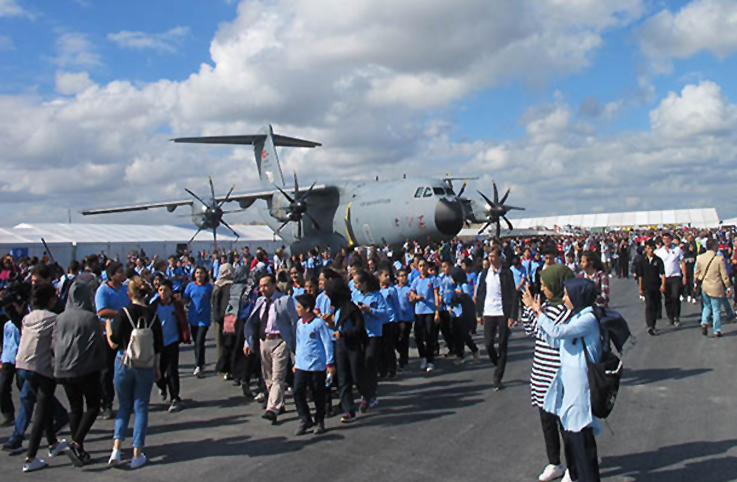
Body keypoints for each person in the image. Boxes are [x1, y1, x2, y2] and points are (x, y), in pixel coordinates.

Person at [533, 278, 603, 482]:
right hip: (569, 389)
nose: (564, 299)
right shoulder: (574, 316)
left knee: (582, 444)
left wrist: (539, 313)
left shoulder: (588, 318)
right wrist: (538, 315)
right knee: (572, 444)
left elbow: (558, 331)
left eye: (567, 294)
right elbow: (554, 339)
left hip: (581, 389)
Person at [520, 264, 574, 482]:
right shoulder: (546, 307)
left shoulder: (567, 310)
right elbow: (531, 328)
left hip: (559, 376)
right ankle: (554, 462)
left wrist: (537, 312)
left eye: (545, 284)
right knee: (547, 423)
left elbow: (554, 334)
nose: (542, 288)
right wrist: (530, 308)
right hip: (541, 374)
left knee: (566, 426)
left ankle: (573, 466)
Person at [107, 277, 164, 469]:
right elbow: (158, 346)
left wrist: (108, 328)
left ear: (129, 294)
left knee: (123, 406)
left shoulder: (123, 314)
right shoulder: (153, 316)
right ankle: (137, 451)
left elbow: (114, 341)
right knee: (141, 407)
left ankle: (116, 448)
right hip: (145, 363)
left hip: (124, 360)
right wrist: (157, 368)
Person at [15, 284, 68, 473]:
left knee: (42, 406)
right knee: (41, 410)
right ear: (51, 300)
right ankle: (30, 457)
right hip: (42, 367)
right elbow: (57, 345)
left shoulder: (28, 317)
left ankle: (53, 443)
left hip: (22, 364)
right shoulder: (54, 319)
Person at [52, 282, 105, 467]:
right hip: (85, 368)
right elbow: (98, 342)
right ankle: (76, 442)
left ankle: (78, 445)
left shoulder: (60, 318)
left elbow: (54, 343)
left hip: (63, 368)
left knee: (75, 407)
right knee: (93, 406)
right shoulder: (90, 318)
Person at [243, 274, 298, 425]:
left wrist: (295, 345)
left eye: (266, 285)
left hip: (280, 340)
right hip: (264, 340)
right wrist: (247, 342)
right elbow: (253, 322)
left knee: (278, 375)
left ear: (274, 285)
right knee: (267, 375)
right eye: (260, 286)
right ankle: (279, 403)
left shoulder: (285, 301)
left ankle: (272, 409)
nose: (262, 289)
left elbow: (294, 323)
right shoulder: (260, 301)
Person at [325, 277, 367, 424]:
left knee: (356, 374)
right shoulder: (335, 310)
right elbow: (336, 327)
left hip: (352, 344)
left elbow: (359, 327)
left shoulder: (351, 308)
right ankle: (348, 409)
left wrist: (344, 334)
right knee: (343, 378)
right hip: (340, 345)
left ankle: (366, 395)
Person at [475, 245, 516, 391]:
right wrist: (478, 313)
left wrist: (512, 315)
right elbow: (480, 293)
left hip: (502, 312)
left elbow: (512, 294)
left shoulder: (506, 273)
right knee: (488, 343)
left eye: (493, 256)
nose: (491, 259)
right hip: (488, 311)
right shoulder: (485, 273)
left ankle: (497, 378)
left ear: (499, 257)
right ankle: (497, 363)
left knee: (502, 344)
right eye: (489, 256)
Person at [292, 293, 334, 435]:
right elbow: (298, 343)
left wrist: (330, 363)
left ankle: (319, 420)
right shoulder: (299, 324)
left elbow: (327, 343)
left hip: (316, 365)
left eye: (299, 307)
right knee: (297, 391)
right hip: (301, 364)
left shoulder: (318, 323)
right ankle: (305, 418)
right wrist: (296, 361)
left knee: (318, 394)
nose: (297, 309)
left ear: (308, 308)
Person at [95, 261, 130, 420]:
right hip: (108, 335)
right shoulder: (103, 290)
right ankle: (107, 403)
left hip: (125, 333)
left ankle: (127, 399)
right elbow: (101, 311)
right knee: (107, 370)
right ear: (111, 275)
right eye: (120, 272)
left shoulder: (125, 289)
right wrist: (120, 314)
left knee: (128, 366)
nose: (123, 275)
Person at [352, 269, 390, 410]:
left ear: (365, 283)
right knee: (360, 365)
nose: (355, 285)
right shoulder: (355, 296)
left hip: (373, 333)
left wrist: (369, 310)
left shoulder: (377, 296)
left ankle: (371, 394)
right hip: (359, 333)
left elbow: (384, 313)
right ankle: (364, 393)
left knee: (370, 362)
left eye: (357, 283)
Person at [151, 279, 191, 412]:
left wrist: (185, 335)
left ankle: (175, 397)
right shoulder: (154, 306)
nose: (163, 293)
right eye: (160, 290)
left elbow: (183, 321)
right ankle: (162, 387)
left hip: (172, 341)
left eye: (165, 290)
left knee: (172, 370)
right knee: (159, 371)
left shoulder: (176, 305)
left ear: (170, 292)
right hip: (157, 342)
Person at [695, 239, 733, 338]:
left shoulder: (700, 258)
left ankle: (704, 322)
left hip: (705, 286)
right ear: (714, 246)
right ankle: (717, 330)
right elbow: (724, 275)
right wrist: (728, 286)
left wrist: (695, 283)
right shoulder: (719, 259)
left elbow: (697, 272)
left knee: (706, 306)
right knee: (716, 309)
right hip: (716, 286)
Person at [409, 259, 440, 372]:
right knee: (418, 336)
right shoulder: (416, 281)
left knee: (429, 336)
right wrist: (415, 297)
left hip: (430, 311)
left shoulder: (433, 279)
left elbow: (436, 295)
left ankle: (430, 360)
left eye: (424, 265)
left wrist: (437, 311)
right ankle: (423, 357)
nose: (422, 268)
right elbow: (412, 294)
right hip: (419, 311)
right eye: (420, 266)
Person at [183, 266, 213, 378]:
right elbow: (185, 299)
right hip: (193, 318)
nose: (199, 275)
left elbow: (212, 298)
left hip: (204, 319)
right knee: (197, 343)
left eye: (201, 273)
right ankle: (201, 362)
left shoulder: (208, 287)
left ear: (205, 275)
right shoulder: (190, 286)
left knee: (200, 341)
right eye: (197, 273)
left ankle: (198, 365)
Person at [655, 233, 685, 327]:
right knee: (667, 298)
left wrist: (684, 276)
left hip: (675, 276)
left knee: (675, 296)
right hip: (664, 277)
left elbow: (682, 262)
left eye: (668, 239)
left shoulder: (677, 250)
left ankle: (677, 317)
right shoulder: (659, 252)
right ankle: (670, 317)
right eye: (664, 239)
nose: (666, 241)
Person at [637, 240, 666, 336]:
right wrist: (640, 288)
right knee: (649, 305)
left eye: (652, 248)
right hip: (646, 286)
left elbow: (662, 274)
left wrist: (663, 285)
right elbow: (640, 276)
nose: (650, 250)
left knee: (655, 306)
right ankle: (650, 325)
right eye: (648, 248)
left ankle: (653, 323)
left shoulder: (658, 260)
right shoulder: (642, 261)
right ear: (646, 249)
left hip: (656, 286)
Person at [211, 263, 235, 379]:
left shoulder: (218, 285)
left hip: (222, 317)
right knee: (224, 342)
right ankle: (224, 367)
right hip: (225, 317)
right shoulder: (220, 286)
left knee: (224, 342)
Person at [394, 269, 415, 370]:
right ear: (397, 278)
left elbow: (413, 300)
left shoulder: (410, 288)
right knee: (395, 339)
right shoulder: (394, 289)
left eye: (405, 276)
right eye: (401, 276)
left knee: (404, 338)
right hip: (397, 317)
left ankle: (403, 360)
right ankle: (401, 353)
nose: (404, 278)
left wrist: (412, 298)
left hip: (407, 317)